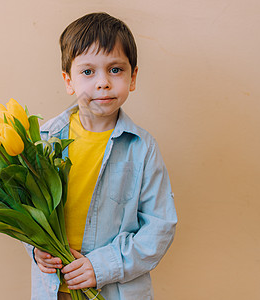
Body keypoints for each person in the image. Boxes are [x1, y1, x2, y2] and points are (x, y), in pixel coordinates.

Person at [25, 12, 177, 300]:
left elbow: (160, 226)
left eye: (116, 70)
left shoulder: (142, 148)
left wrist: (103, 266)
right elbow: (27, 212)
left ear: (133, 77)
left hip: (115, 291)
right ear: (68, 80)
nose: (103, 82)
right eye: (87, 72)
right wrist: (36, 250)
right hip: (54, 290)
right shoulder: (43, 140)